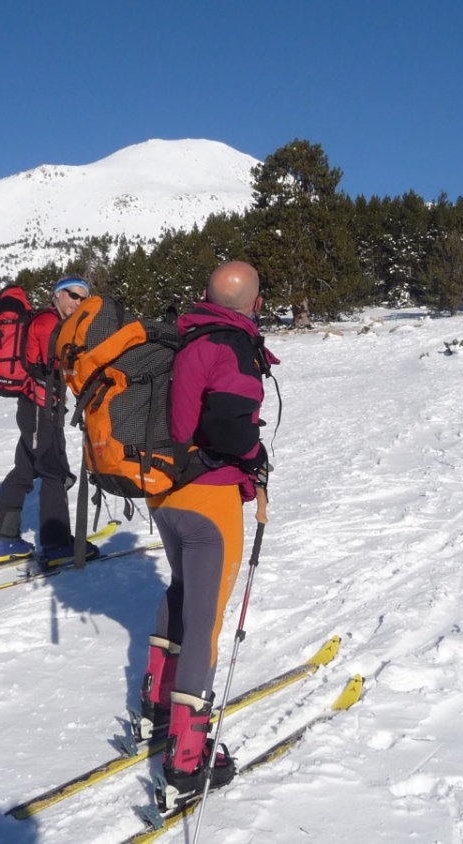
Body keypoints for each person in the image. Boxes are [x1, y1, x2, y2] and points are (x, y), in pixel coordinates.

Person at [138, 260, 277, 813]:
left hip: (163, 492)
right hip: (209, 498)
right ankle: (187, 758)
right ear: (257, 303)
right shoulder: (233, 346)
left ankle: (156, 705)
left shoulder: (185, 336)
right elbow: (226, 427)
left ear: (204, 296)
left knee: (180, 591)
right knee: (207, 621)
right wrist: (255, 455)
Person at [0, 276, 99, 568]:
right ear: (58, 295)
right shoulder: (49, 323)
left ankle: (5, 539)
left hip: (37, 407)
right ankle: (56, 543)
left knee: (24, 469)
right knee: (53, 470)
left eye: (83, 298)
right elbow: (57, 364)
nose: (78, 302)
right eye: (74, 295)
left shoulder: (48, 321)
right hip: (40, 407)